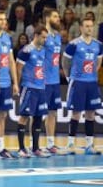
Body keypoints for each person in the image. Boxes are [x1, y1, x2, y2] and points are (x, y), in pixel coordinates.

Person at [62, 17, 103, 155]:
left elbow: (98, 63)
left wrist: (91, 75)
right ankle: (70, 143)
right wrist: (69, 77)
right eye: (86, 26)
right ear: (81, 28)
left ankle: (89, 145)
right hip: (77, 82)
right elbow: (65, 62)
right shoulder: (74, 44)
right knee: (76, 113)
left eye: (91, 26)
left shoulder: (98, 45)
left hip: (91, 83)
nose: (89, 28)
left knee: (91, 113)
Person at [16, 25, 50, 158]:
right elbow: (19, 68)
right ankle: (21, 148)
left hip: (40, 87)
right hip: (29, 87)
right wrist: (18, 86)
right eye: (43, 37)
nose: (45, 40)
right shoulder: (26, 50)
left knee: (38, 117)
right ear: (36, 35)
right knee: (24, 116)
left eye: (46, 37)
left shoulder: (43, 50)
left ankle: (35, 148)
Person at [0, 11, 19, 159]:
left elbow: (11, 61)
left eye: (5, 19)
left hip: (6, 82)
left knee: (2, 115)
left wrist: (15, 82)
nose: (3, 22)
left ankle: (0, 147)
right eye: (0, 19)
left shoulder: (7, 37)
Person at [43, 9, 65, 155]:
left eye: (58, 16)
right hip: (42, 80)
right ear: (47, 18)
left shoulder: (57, 36)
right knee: (38, 113)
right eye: (55, 16)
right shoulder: (42, 35)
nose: (58, 18)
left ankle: (50, 143)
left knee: (52, 112)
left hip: (54, 81)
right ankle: (35, 144)